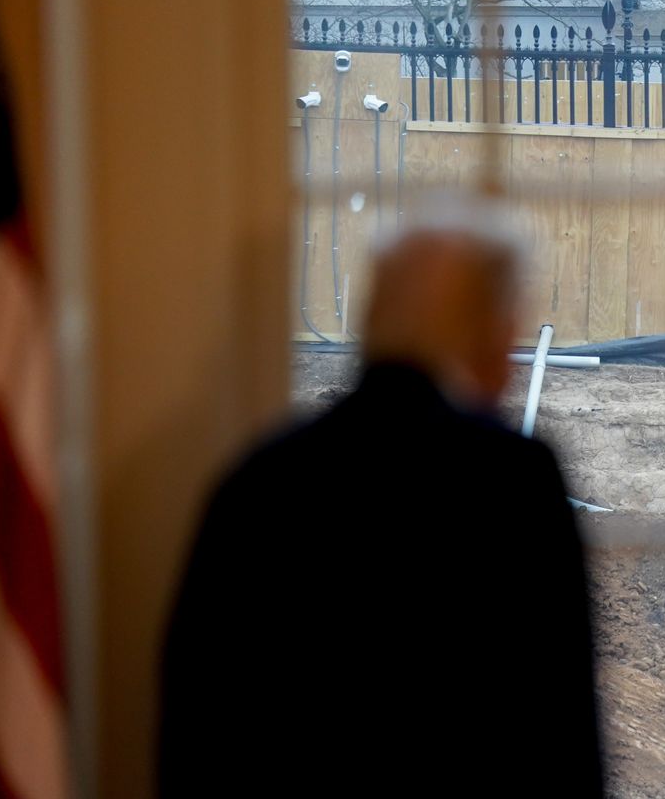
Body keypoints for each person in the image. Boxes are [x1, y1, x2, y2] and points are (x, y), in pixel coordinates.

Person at [159, 196, 604, 796]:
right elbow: (561, 735)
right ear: (494, 335)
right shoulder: (514, 480)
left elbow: (193, 725)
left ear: (372, 320)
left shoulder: (259, 478)